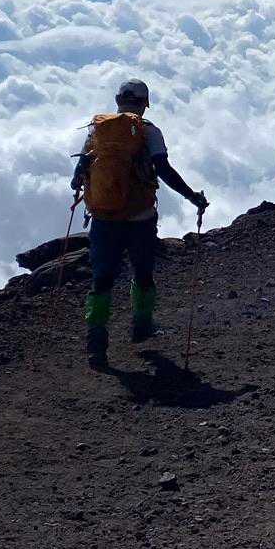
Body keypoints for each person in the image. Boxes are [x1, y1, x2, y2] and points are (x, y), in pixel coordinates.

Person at [69, 78, 208, 365]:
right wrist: (192, 196)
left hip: (104, 218)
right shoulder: (148, 131)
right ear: (145, 103)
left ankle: (96, 344)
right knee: (143, 273)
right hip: (140, 217)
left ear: (118, 100)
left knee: (102, 279)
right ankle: (141, 327)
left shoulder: (99, 130)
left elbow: (79, 172)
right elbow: (164, 170)